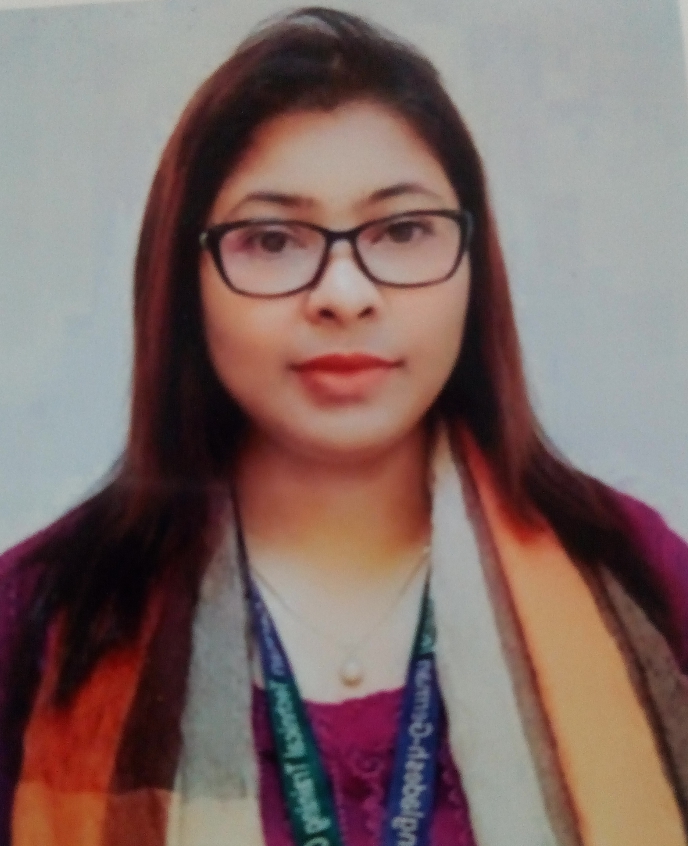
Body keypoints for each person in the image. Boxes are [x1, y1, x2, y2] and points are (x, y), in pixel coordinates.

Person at [0, 7, 687, 846]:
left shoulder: (642, 580)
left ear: (474, 265)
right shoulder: (34, 619)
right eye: (273, 240)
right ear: (185, 280)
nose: (345, 294)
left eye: (401, 231)